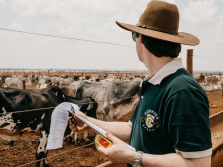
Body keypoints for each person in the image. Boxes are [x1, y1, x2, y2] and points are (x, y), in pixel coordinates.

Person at [69, 1, 212, 166]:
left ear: (141, 38)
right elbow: (133, 130)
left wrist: (134, 157)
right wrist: (88, 122)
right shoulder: (152, 83)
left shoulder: (182, 91)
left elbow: (198, 164)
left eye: (134, 35)